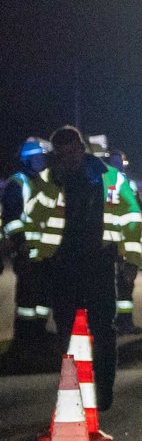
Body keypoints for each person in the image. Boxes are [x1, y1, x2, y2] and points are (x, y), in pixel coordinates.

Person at [25, 126, 137, 412]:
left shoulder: (111, 178)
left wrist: (131, 261)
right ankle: (73, 393)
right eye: (62, 153)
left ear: (81, 148)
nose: (70, 157)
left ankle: (103, 392)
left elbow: (132, 218)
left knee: (103, 330)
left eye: (73, 150)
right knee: (67, 334)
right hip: (62, 265)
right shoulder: (49, 180)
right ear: (56, 155)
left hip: (100, 262)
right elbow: (33, 221)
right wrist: (35, 258)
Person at [6, 138, 53, 338]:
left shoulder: (45, 182)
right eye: (36, 158)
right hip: (27, 252)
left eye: (42, 158)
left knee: (44, 295)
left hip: (46, 252)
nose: (41, 161)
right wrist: (20, 242)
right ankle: (24, 335)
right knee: (27, 297)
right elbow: (11, 217)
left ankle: (39, 330)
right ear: (27, 160)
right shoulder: (18, 182)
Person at [104, 150, 142, 333]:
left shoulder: (129, 184)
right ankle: (108, 322)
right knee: (105, 286)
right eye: (113, 162)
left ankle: (125, 322)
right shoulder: (104, 181)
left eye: (119, 162)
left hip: (123, 242)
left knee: (126, 285)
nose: (117, 165)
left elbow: (136, 212)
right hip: (107, 243)